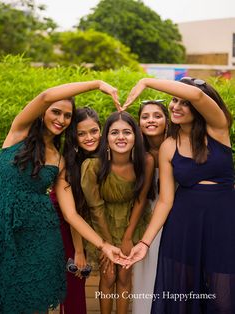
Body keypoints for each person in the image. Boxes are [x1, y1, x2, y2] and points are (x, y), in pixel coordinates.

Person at [0, 80, 127, 314]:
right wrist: (97, 84)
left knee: (31, 301)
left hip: (38, 236)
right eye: (56, 112)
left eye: (67, 116)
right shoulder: (20, 132)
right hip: (3, 225)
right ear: (43, 113)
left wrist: (104, 245)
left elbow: (71, 214)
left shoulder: (60, 160)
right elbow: (46, 95)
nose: (61, 119)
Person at [123, 77, 235, 313]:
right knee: (180, 298)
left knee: (223, 299)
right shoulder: (169, 146)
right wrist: (145, 242)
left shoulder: (218, 128)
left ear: (197, 107)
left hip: (222, 223)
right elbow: (165, 200)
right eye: (174, 100)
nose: (175, 106)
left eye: (184, 103)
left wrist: (145, 81)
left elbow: (198, 95)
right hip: (182, 228)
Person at [81, 111, 155, 314]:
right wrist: (106, 244)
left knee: (124, 276)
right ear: (106, 138)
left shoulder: (145, 162)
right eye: (114, 132)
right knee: (108, 276)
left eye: (127, 132)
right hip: (102, 223)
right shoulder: (93, 166)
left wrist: (128, 237)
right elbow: (95, 208)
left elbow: (141, 200)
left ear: (136, 136)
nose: (121, 137)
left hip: (132, 221)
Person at [50, 107, 102, 314]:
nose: (89, 137)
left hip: (82, 223)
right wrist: (79, 251)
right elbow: (73, 213)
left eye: (94, 131)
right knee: (75, 278)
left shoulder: (102, 156)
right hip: (63, 223)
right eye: (81, 133)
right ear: (74, 136)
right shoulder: (70, 163)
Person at [132, 99, 169, 314]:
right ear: (138, 123)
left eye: (157, 115)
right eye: (145, 117)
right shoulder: (135, 151)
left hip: (174, 215)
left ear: (166, 119)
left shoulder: (177, 146)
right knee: (145, 269)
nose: (151, 120)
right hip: (144, 215)